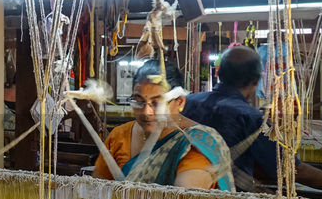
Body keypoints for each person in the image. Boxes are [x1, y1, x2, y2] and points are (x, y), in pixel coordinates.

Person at [184, 46, 322, 195]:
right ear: (258, 80)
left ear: (218, 73)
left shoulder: (186, 103)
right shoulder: (249, 117)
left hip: (179, 194)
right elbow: (291, 170)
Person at [93, 61, 232, 190]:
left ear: (180, 102)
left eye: (157, 103)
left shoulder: (195, 144)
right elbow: (96, 190)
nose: (146, 112)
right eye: (138, 101)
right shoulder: (119, 136)